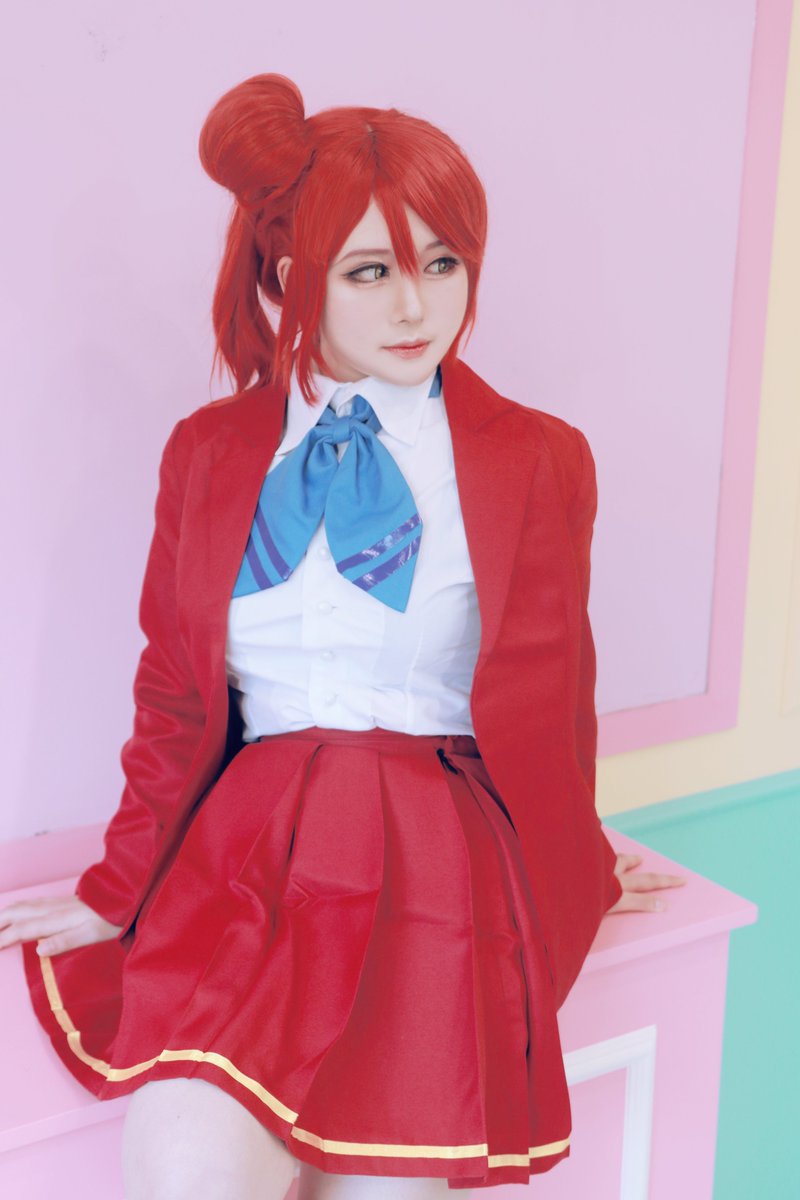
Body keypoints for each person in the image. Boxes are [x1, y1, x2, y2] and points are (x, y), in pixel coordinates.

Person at [0, 73, 684, 1199]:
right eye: (370, 272)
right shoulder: (209, 452)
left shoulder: (536, 458)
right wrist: (116, 884)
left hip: (434, 854)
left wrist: (575, 852)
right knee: (185, 1169)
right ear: (289, 276)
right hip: (251, 855)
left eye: (443, 264)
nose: (417, 307)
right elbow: (174, 691)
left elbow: (556, 693)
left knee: (386, 1176)